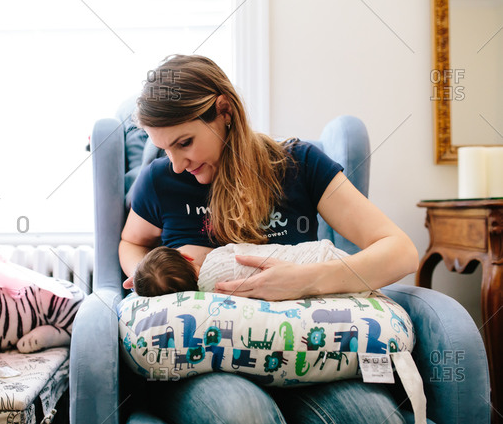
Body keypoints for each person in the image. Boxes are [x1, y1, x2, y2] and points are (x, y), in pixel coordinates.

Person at [118, 54, 418, 423]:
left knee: (371, 417)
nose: (177, 163)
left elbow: (401, 252)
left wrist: (304, 281)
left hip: (309, 357)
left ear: (224, 110)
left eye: (185, 142)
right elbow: (132, 242)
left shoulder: (299, 165)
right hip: (208, 368)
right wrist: (150, 278)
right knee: (241, 414)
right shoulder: (160, 180)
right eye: (165, 149)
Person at [125, 240, 349, 297]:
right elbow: (253, 251)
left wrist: (143, 281)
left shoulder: (214, 297)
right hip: (320, 257)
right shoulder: (218, 257)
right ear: (186, 255)